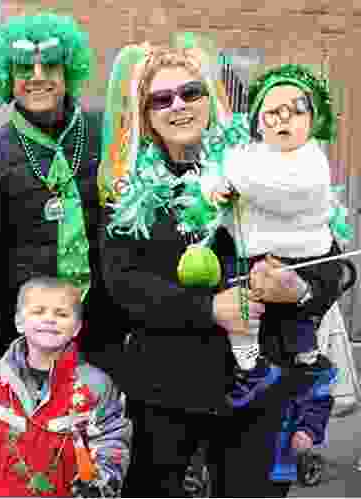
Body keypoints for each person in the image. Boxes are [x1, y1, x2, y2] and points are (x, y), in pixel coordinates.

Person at [96, 35, 346, 498]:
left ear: (211, 99)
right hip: (166, 391)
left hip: (261, 391)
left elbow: (331, 262)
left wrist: (300, 289)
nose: (179, 106)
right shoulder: (129, 192)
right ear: (147, 118)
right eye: (161, 99)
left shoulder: (267, 168)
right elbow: (122, 283)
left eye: (191, 93)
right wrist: (209, 308)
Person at [0, 12, 127, 371]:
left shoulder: (105, 138)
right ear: (8, 78)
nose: (37, 77)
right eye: (24, 68)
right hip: (30, 341)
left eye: (49, 66)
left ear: (68, 72)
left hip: (102, 335)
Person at [200, 63, 350, 376]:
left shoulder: (311, 161)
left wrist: (302, 292)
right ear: (258, 121)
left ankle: (305, 359)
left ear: (312, 122)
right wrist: (217, 188)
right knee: (245, 309)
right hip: (245, 256)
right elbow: (219, 172)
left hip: (296, 254)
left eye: (295, 111)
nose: (284, 119)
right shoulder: (245, 155)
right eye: (272, 113)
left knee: (295, 325)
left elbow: (292, 192)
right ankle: (248, 360)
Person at [0, 276, 131, 497]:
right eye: (38, 311)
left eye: (62, 314)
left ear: (77, 327)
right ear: (18, 322)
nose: (49, 319)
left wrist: (100, 482)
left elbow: (111, 442)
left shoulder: (96, 385)